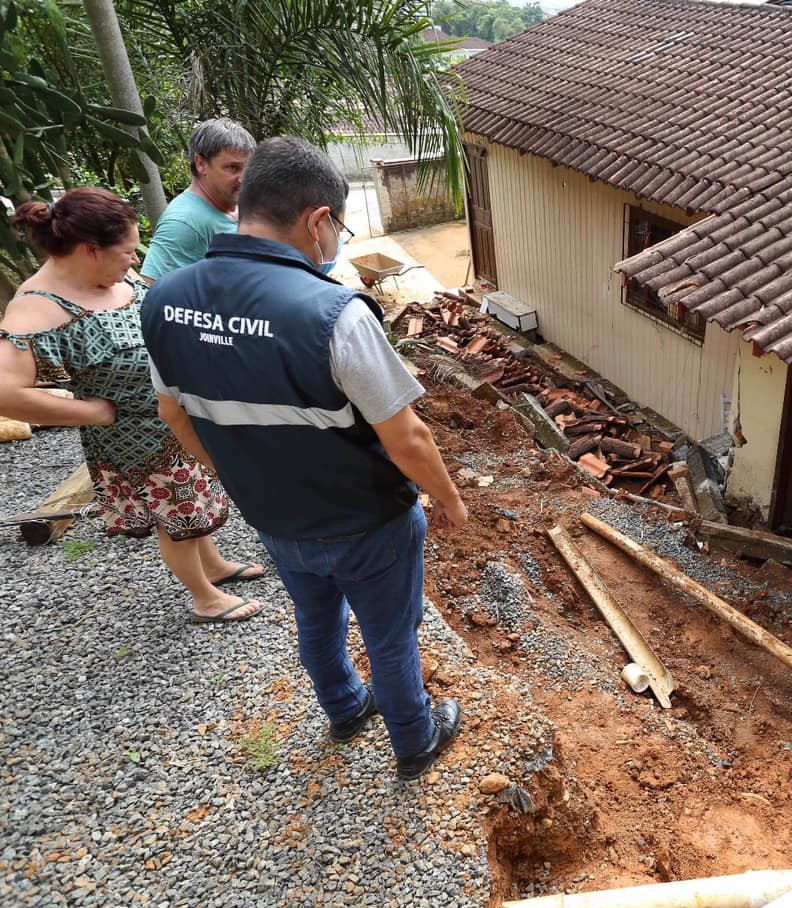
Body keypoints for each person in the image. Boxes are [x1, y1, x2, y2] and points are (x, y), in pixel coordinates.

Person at [141, 137, 468, 781]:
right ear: (319, 219)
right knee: (390, 633)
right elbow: (407, 438)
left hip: (274, 516)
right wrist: (451, 500)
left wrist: (240, 477)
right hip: (366, 517)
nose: (336, 239)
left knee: (315, 618)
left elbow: (174, 415)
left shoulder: (163, 302)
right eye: (337, 226)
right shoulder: (332, 313)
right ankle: (414, 740)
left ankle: (345, 711)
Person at [0, 187, 265, 623]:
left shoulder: (105, 275)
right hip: (137, 436)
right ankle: (204, 597)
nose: (135, 260)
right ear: (90, 250)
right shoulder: (36, 308)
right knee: (174, 514)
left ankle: (213, 566)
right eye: (127, 250)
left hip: (175, 417)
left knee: (193, 500)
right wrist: (93, 413)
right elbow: (7, 393)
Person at [140, 118, 256, 282]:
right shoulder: (184, 222)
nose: (243, 178)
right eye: (232, 168)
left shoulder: (235, 204)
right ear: (201, 163)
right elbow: (154, 294)